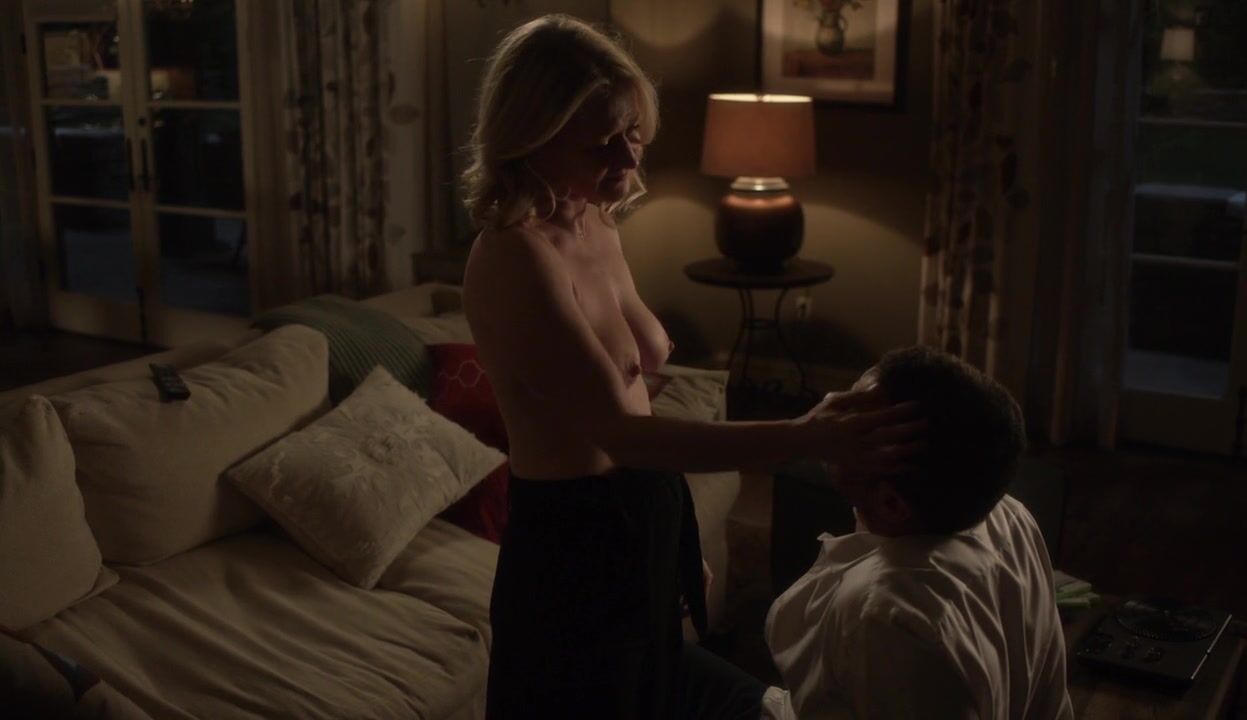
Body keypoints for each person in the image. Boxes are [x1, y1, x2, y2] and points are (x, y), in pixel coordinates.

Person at [460, 14, 924, 720]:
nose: (626, 158)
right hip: (572, 544)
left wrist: (671, 532)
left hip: (635, 514)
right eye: (599, 142)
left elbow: (632, 398)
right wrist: (805, 435)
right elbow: (623, 433)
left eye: (632, 132)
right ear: (530, 137)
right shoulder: (514, 255)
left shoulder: (594, 219)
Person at [762, 346, 1075, 720]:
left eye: (851, 418)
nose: (828, 413)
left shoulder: (884, 616)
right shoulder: (1011, 514)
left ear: (892, 504)